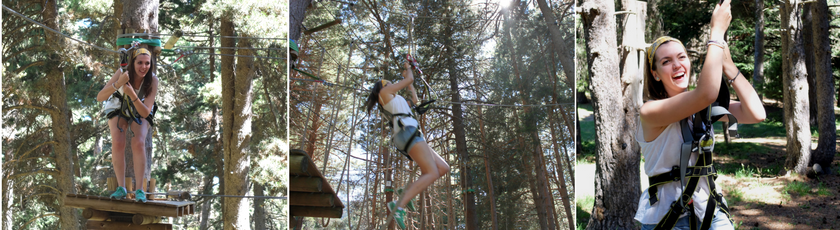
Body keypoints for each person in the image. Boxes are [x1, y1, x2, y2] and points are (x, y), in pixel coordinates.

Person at [635, 0, 765, 229]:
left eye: (681, 57)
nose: (677, 65)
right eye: (666, 62)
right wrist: (716, 33)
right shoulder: (649, 111)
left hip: (711, 213)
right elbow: (705, 93)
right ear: (655, 74)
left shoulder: (703, 108)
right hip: (667, 219)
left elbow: (756, 113)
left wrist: (729, 66)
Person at [365, 62, 450, 229]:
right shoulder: (385, 93)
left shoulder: (397, 100)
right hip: (408, 132)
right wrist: (408, 70)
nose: (391, 84)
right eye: (388, 82)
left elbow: (415, 100)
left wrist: (409, 83)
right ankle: (398, 205)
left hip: (412, 134)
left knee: (442, 168)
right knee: (431, 172)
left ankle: (406, 193)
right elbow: (408, 77)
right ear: (383, 86)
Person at [96, 47, 159, 202]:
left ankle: (139, 190)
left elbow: (145, 113)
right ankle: (121, 187)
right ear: (133, 62)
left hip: (140, 107)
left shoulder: (152, 80)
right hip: (119, 106)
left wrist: (132, 94)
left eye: (147, 63)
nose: (143, 67)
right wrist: (119, 83)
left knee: (138, 143)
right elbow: (100, 96)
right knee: (118, 142)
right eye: (140, 63)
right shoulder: (123, 72)